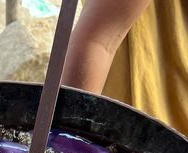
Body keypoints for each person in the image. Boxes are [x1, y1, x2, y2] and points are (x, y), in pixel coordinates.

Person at [62, 0, 188, 136]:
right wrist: (72, 134)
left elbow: (96, 41)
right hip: (139, 129)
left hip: (156, 132)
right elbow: (97, 41)